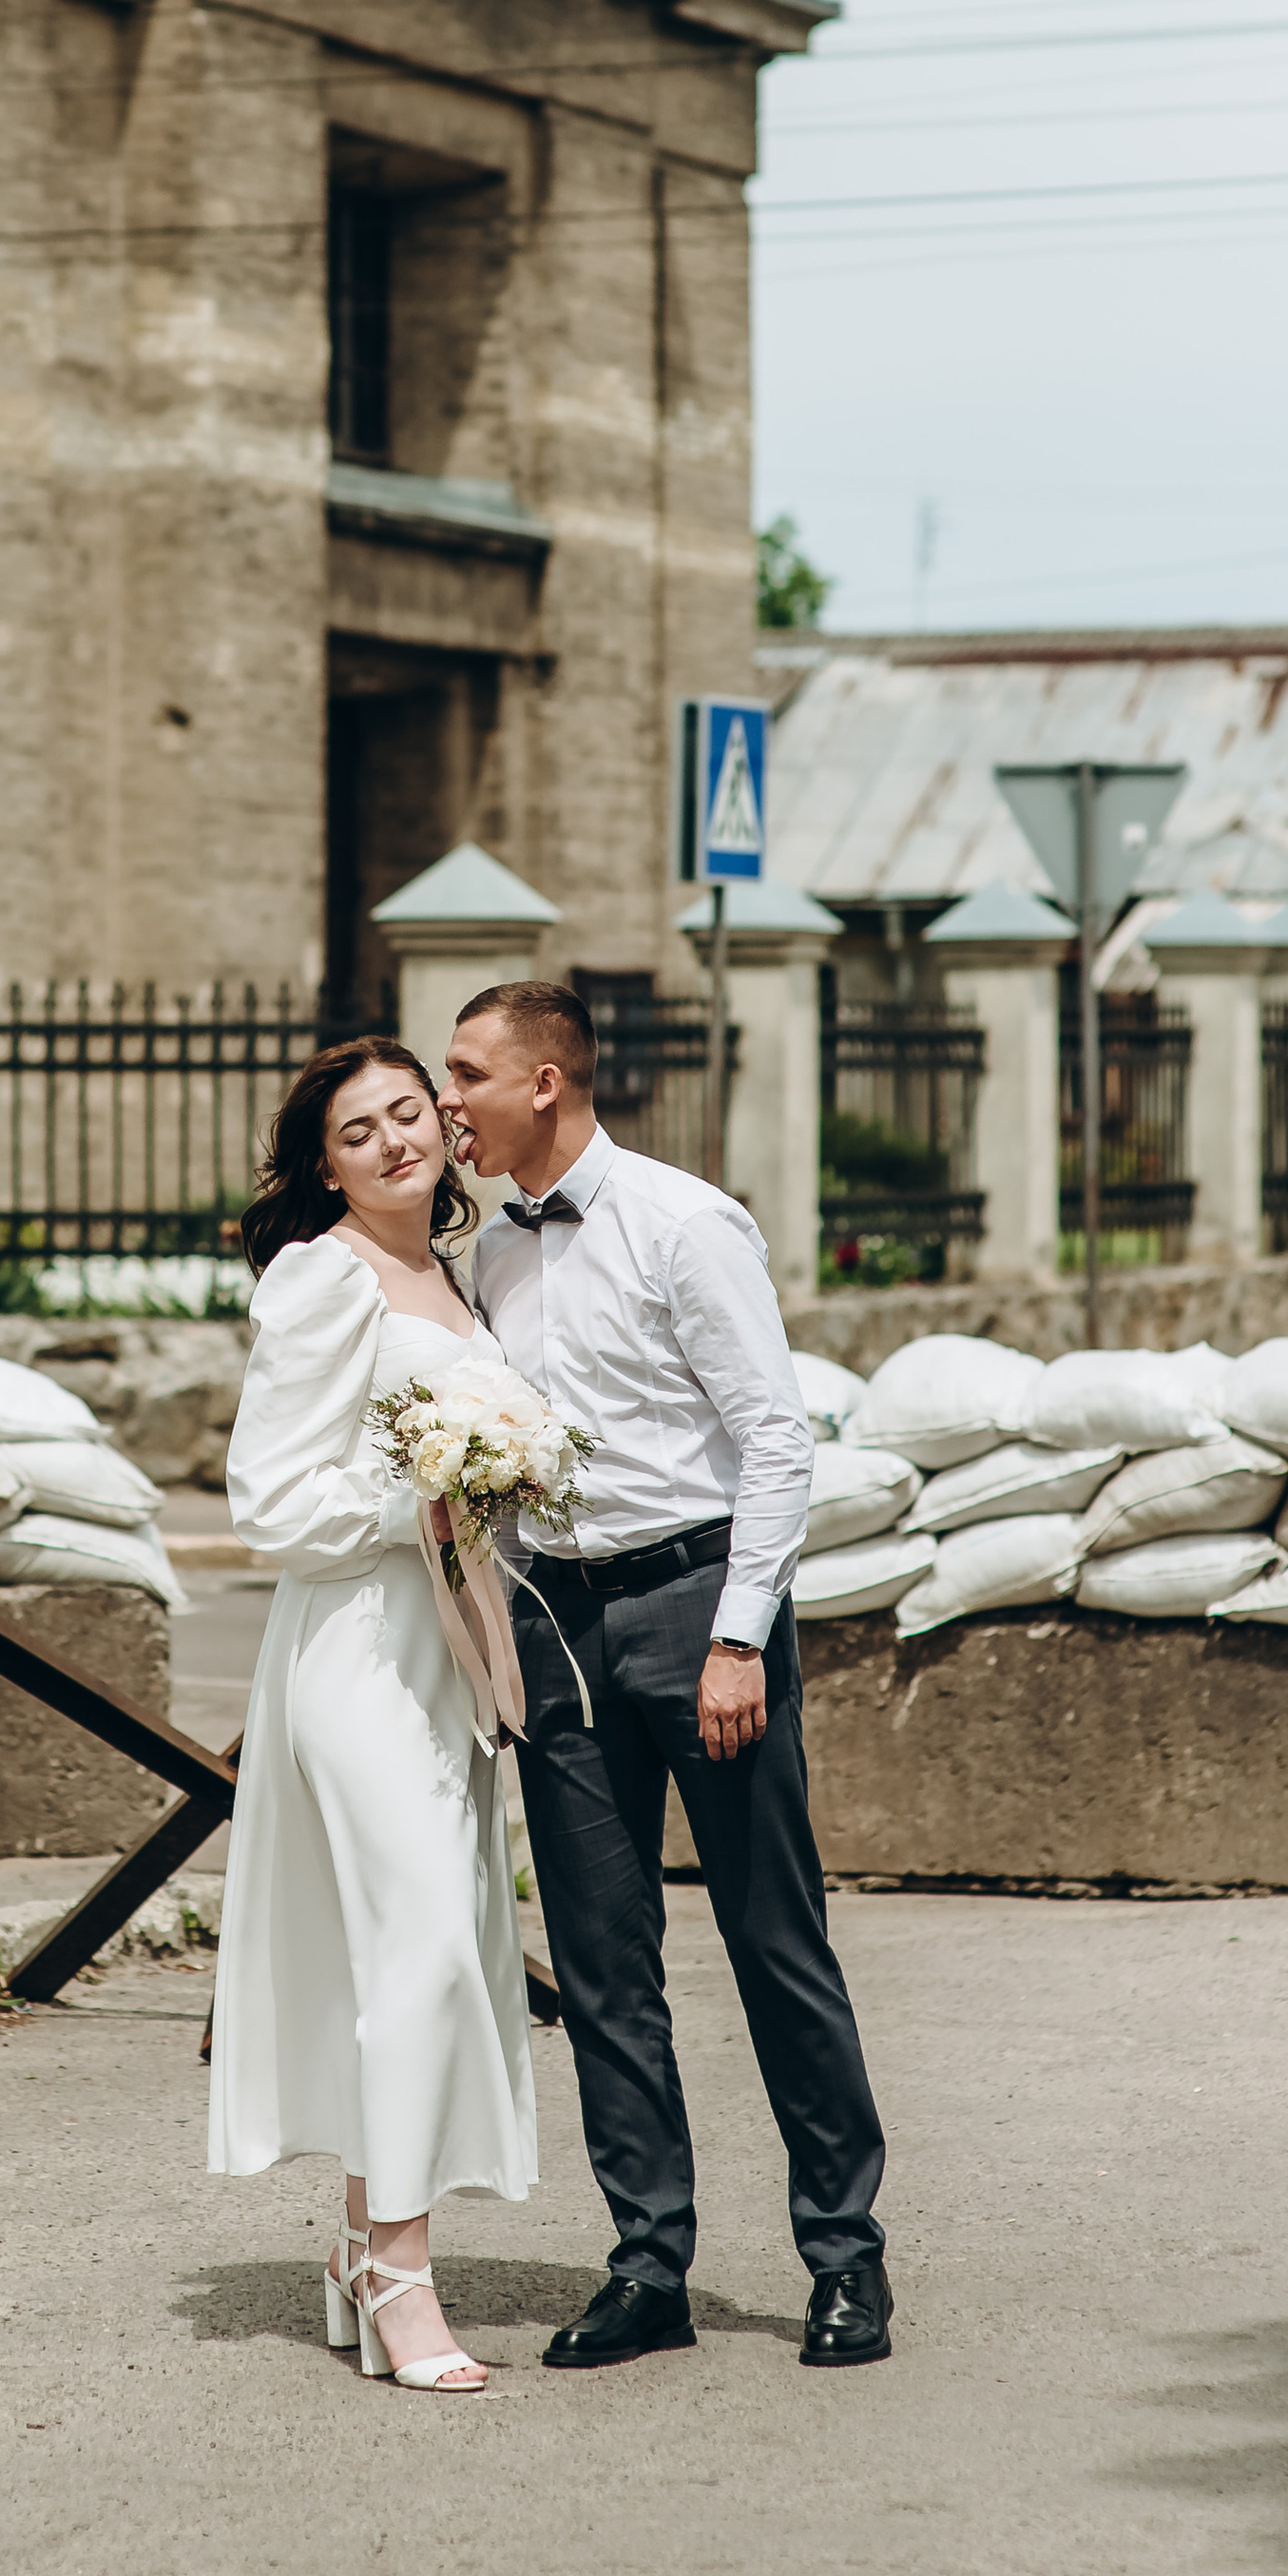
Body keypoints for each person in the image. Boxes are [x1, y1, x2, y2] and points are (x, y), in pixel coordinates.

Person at [440, 979, 894, 2374]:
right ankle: (650, 2264)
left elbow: (775, 1435)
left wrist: (741, 1632)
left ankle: (846, 2259)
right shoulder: (488, 1255)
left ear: (548, 1082)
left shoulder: (686, 1222)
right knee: (601, 1961)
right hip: (560, 1621)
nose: (448, 1100)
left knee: (774, 1936)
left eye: (467, 1073)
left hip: (700, 1602)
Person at [208, 1036, 537, 2392]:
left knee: (433, 1938)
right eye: (360, 1130)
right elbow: (267, 1503)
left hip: (444, 1654)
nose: (398, 1138)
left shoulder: (454, 1276)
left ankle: (360, 2238)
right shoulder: (322, 1275)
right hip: (350, 1652)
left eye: (412, 1111)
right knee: (420, 1950)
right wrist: (424, 1499)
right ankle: (403, 2270)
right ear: (325, 1162)